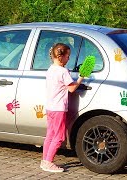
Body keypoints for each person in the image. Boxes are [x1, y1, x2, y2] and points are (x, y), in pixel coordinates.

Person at [40, 43, 84, 172]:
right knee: (59, 137)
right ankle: (49, 162)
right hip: (59, 108)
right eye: (68, 56)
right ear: (60, 57)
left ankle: (44, 160)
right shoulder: (63, 71)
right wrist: (81, 77)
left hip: (50, 107)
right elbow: (71, 89)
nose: (68, 59)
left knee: (50, 134)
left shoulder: (51, 69)